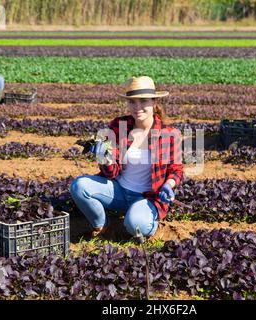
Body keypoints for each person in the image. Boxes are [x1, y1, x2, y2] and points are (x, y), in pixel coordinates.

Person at [70, 76, 183, 239]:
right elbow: (111, 173)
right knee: (79, 187)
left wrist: (168, 185)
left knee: (136, 225)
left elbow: (176, 169)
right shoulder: (119, 126)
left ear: (154, 102)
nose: (137, 107)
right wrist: (106, 159)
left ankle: (147, 221)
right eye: (132, 102)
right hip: (118, 191)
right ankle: (102, 226)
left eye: (143, 101)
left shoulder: (168, 134)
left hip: (147, 197)